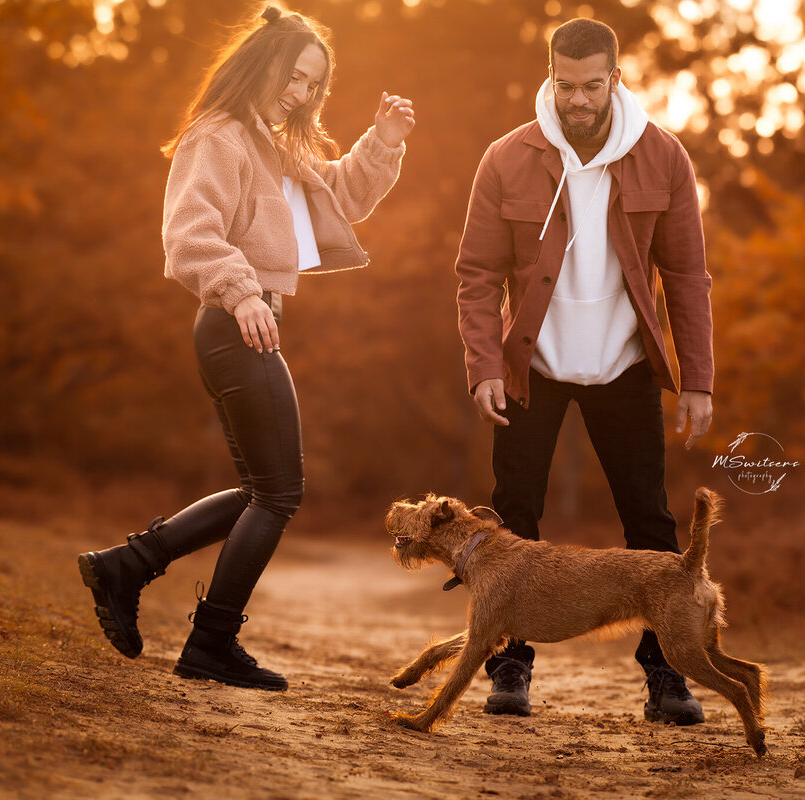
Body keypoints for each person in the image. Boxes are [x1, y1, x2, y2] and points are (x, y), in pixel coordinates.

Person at [77, 4, 415, 691]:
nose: (301, 93)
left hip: (248, 319)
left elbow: (341, 198)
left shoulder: (276, 145)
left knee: (264, 489)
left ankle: (127, 567)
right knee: (280, 493)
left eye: (314, 86)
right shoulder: (220, 136)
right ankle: (209, 642)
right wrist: (244, 292)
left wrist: (381, 141)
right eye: (294, 76)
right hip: (234, 321)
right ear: (262, 64)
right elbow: (190, 233)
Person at [455, 18, 714, 725]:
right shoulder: (507, 158)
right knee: (512, 523)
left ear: (616, 79)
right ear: (552, 77)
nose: (577, 100)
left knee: (651, 526)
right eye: (565, 85)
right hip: (530, 368)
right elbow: (477, 275)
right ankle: (510, 667)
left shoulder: (663, 157)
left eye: (591, 85)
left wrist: (698, 378)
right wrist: (484, 364)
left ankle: (668, 677)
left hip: (626, 366)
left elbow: (688, 275)